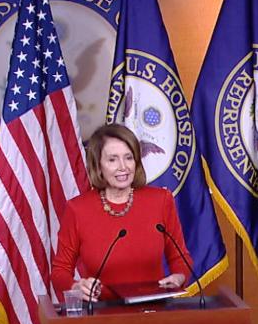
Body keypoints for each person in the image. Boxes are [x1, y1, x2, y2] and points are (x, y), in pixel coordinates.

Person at [52, 123, 192, 302]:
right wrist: (76, 287)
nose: (123, 167)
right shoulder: (78, 209)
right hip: (102, 312)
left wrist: (179, 277)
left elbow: (180, 258)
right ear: (98, 165)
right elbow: (60, 271)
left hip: (154, 310)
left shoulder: (161, 200)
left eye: (128, 158)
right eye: (112, 160)